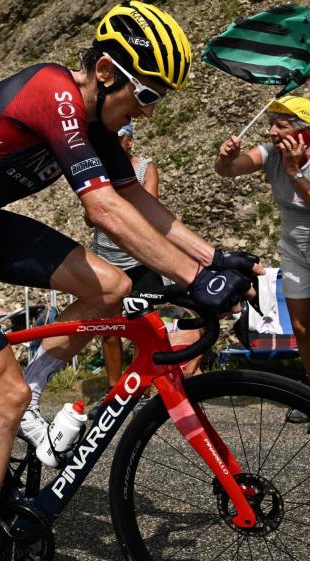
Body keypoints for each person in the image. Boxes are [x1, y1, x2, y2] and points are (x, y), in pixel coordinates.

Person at [0, 3, 259, 561]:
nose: (148, 110)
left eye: (158, 99)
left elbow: (136, 199)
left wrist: (214, 259)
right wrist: (192, 280)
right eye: (148, 94)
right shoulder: (52, 91)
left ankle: (33, 391)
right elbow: (103, 210)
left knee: (110, 287)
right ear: (108, 71)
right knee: (0, 397)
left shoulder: (100, 125)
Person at [215, 95, 310, 435]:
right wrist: (226, 158)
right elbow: (228, 172)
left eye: (280, 126)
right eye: (271, 124)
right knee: (300, 327)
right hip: (297, 247)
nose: (271, 132)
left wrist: (295, 172)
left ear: (304, 133)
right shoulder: (270, 153)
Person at [90, 122, 201, 386]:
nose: (113, 145)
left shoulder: (144, 167)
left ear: (130, 141)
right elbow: (90, 217)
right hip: (107, 256)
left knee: (147, 325)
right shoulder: (97, 171)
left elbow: (148, 207)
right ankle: (114, 388)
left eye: (119, 139)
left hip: (140, 259)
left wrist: (111, 201)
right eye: (109, 140)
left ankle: (149, 383)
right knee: (109, 329)